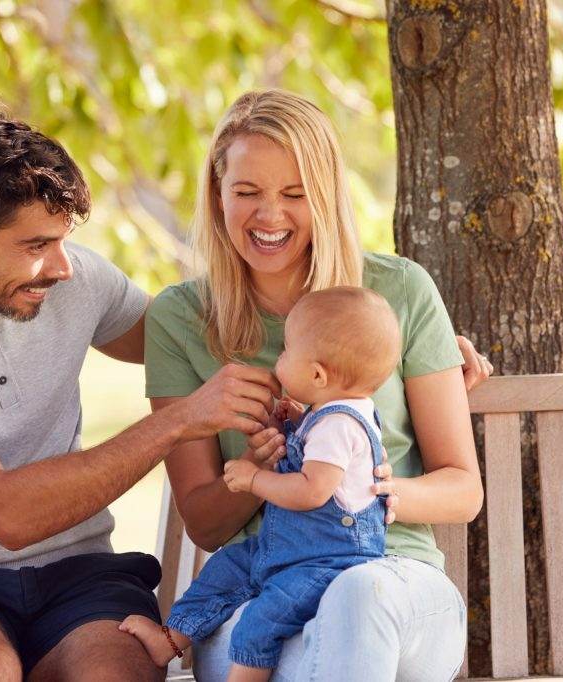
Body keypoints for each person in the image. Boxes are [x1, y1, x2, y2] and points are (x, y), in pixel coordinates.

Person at [0, 109, 282, 682]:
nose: (63, 267)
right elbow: (6, 512)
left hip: (82, 576)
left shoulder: (70, 280)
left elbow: (186, 342)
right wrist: (177, 422)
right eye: (37, 243)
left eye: (64, 240)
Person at [143, 89, 490, 681]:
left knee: (357, 598)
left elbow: (463, 489)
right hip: (259, 594)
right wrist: (265, 475)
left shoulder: (399, 292)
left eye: (294, 195)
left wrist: (369, 493)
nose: (269, 216)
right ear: (217, 194)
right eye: (247, 192)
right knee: (311, 651)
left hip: (395, 582)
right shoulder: (181, 319)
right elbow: (204, 522)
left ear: (324, 198)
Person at [122, 286, 401, 681]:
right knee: (225, 569)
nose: (278, 358)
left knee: (262, 619)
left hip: (328, 562)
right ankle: (170, 639)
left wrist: (255, 479)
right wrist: (294, 422)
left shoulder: (339, 425)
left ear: (318, 375)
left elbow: (311, 491)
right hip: (290, 547)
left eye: (286, 351)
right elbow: (311, 456)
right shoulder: (328, 414)